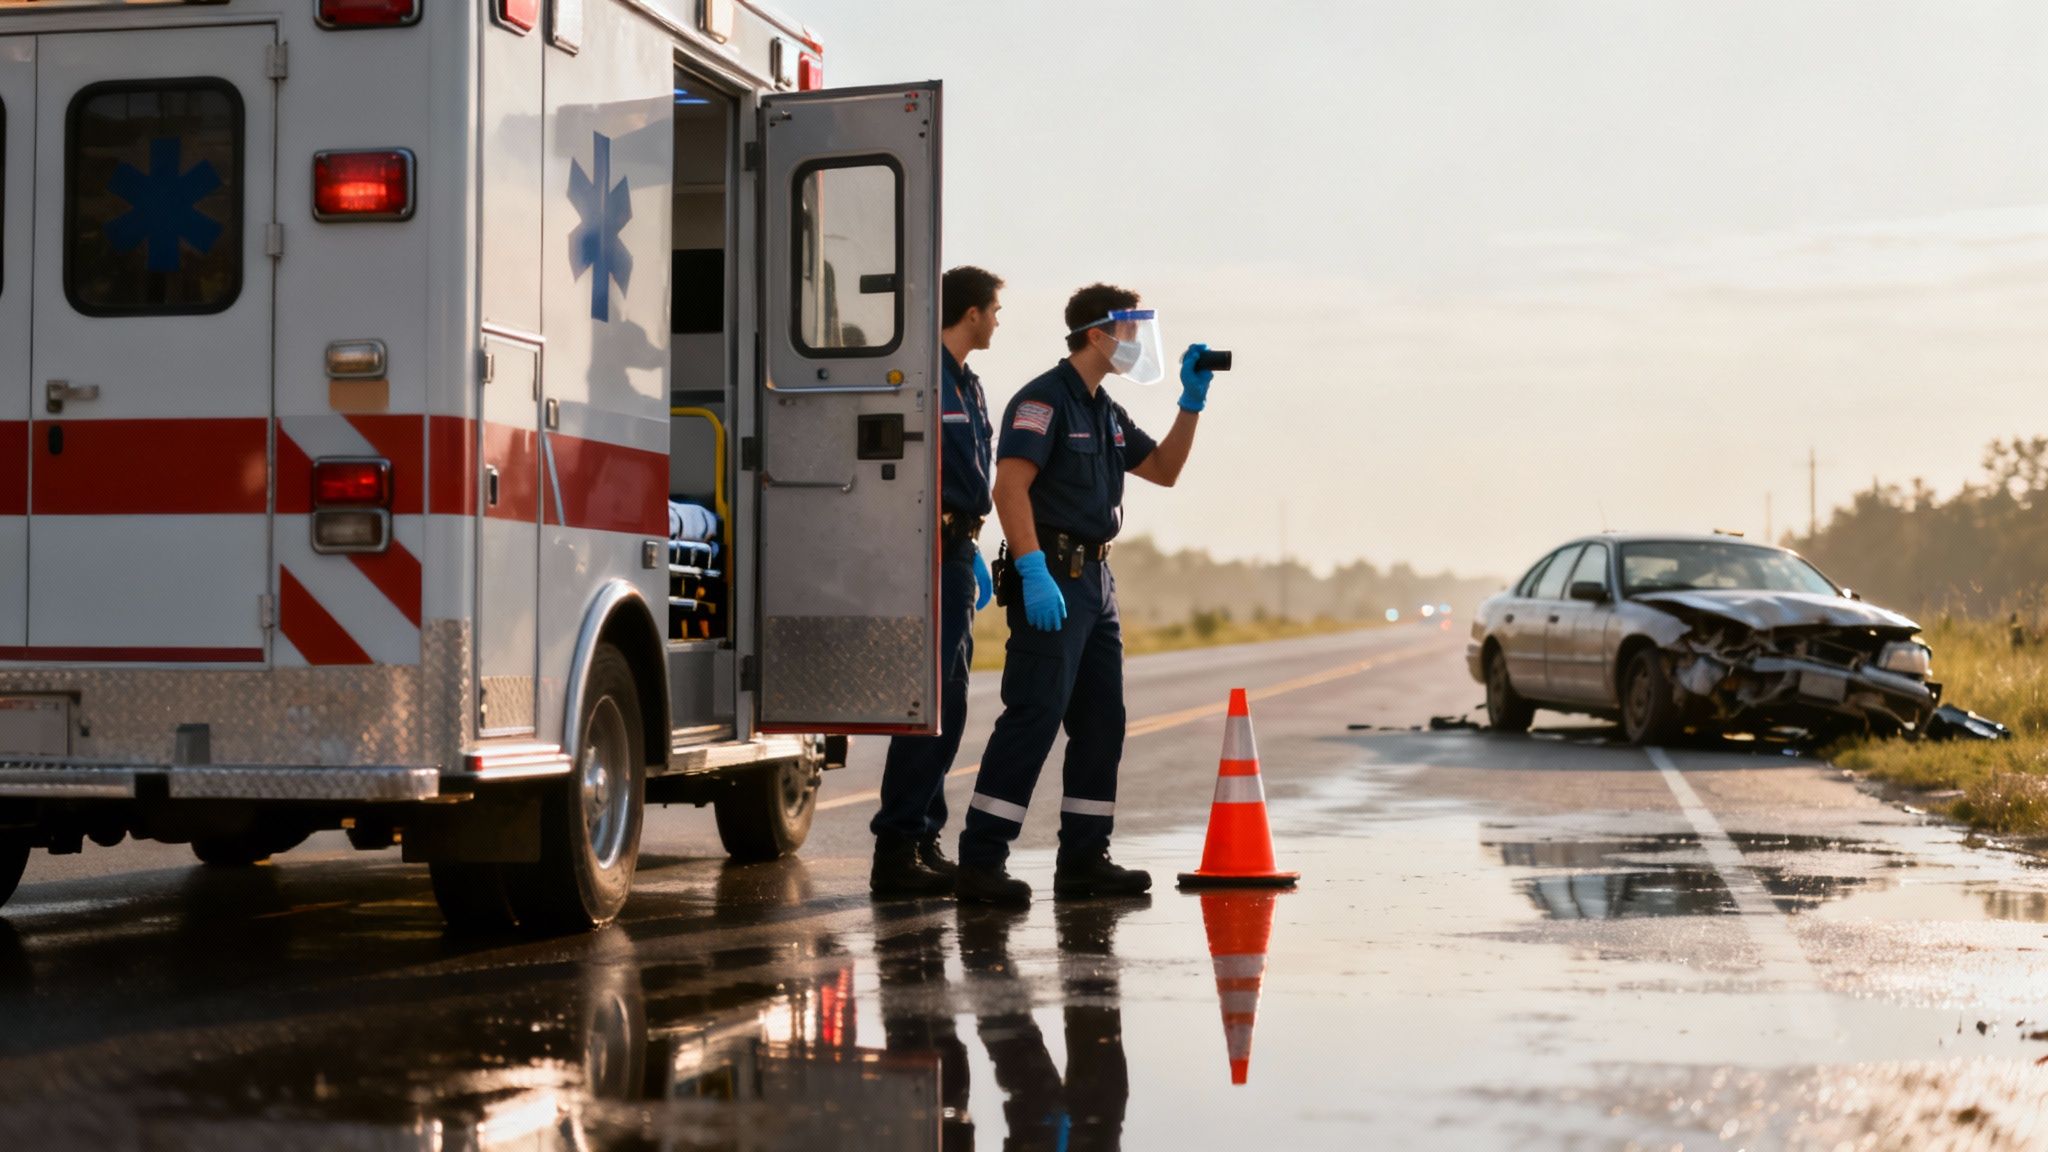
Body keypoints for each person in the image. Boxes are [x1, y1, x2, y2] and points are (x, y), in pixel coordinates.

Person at [955, 284, 1215, 904]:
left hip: (1098, 583)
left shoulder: (1104, 409)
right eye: (1128, 330)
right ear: (1097, 335)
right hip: (1054, 577)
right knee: (1035, 716)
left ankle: (1083, 859)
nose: (1134, 342)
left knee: (1102, 723)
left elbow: (1166, 471)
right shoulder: (1044, 400)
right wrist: (1034, 569)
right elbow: (1009, 489)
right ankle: (981, 859)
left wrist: (1191, 403)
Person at [870, 265, 1004, 898]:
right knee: (926, 705)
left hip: (959, 552)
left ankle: (924, 836)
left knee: (950, 705)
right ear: (970, 313)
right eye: (994, 310)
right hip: (928, 552)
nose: (998, 321)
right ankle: (895, 849)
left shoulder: (968, 386)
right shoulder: (920, 379)